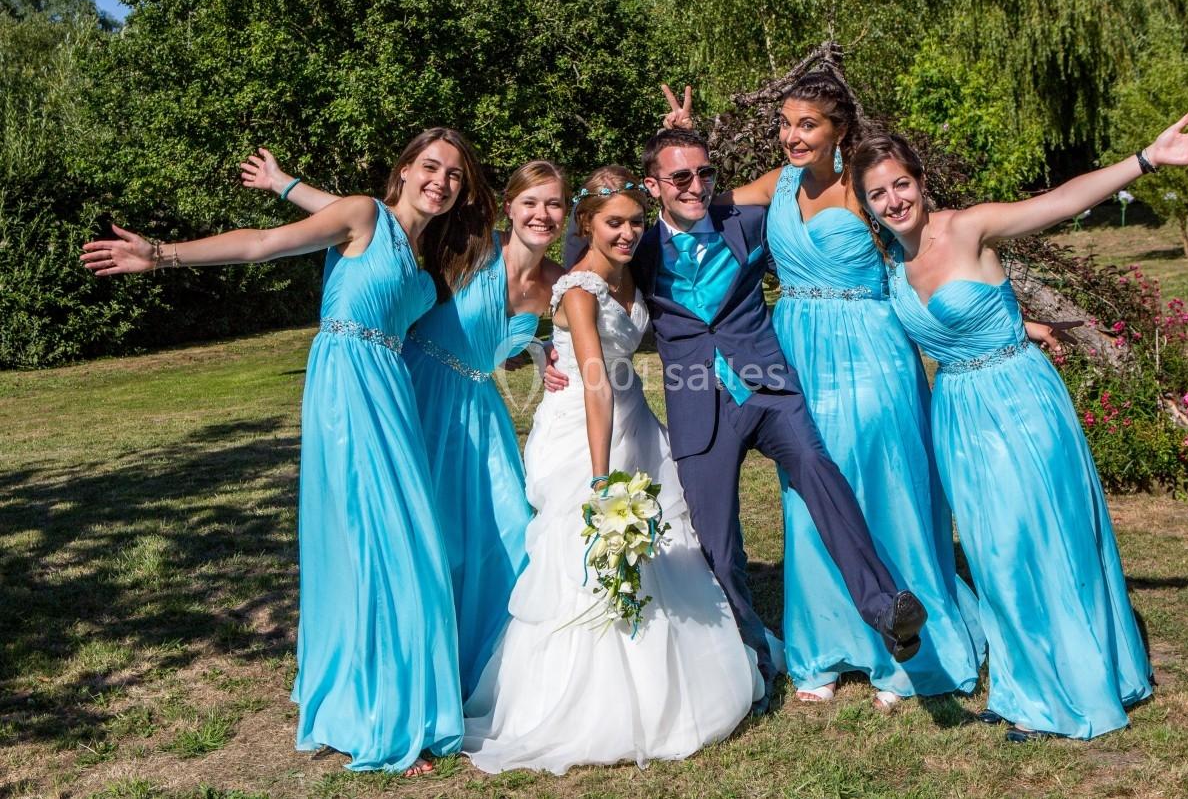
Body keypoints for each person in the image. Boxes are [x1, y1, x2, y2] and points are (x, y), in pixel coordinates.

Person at [83, 128, 498, 773]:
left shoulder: (421, 257)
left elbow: (345, 225)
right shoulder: (364, 213)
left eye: (453, 175)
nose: (440, 182)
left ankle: (377, 704)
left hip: (391, 393)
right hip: (346, 387)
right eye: (430, 166)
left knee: (406, 545)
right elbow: (263, 244)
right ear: (406, 170)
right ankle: (379, 719)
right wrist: (162, 254)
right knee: (379, 544)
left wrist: (285, 184)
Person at [852, 115, 1188, 741]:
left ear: (920, 182)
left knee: (1040, 540)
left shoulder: (968, 227)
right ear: (866, 203)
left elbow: (1059, 202)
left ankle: (1070, 688)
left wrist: (1147, 158)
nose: (894, 201)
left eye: (901, 185)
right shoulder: (890, 262)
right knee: (994, 552)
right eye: (878, 194)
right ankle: (1024, 683)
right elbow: (958, 318)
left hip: (1020, 402)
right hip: (958, 413)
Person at [551, 130, 929, 707]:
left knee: (821, 475)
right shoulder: (638, 247)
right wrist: (554, 346)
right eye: (680, 177)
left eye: (705, 173)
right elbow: (578, 278)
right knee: (718, 547)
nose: (697, 186)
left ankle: (886, 610)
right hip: (697, 407)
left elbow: (807, 196)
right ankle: (753, 656)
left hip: (770, 391)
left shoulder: (748, 223)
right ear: (653, 187)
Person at [661, 76, 983, 709]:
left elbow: (924, 258)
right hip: (797, 353)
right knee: (810, 497)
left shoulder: (867, 191)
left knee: (880, 484)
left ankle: (905, 650)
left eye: (806, 124)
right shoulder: (774, 184)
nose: (791, 136)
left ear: (839, 129)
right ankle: (826, 645)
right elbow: (693, 200)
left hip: (871, 351)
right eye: (785, 123)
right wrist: (681, 137)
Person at [463, 166, 763, 774]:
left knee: (663, 542)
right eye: (613, 223)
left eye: (633, 222)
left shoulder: (628, 272)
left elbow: (688, 202)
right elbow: (594, 382)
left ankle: (678, 678)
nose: (627, 233)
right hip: (587, 428)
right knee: (589, 552)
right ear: (587, 226)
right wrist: (602, 479)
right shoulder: (578, 288)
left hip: (635, 415)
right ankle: (590, 701)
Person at [241, 152, 566, 695]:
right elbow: (367, 222)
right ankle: (409, 677)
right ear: (507, 207)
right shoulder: (470, 246)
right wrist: (284, 184)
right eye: (530, 202)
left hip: (480, 417)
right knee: (424, 540)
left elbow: (609, 284)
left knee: (507, 532)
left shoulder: (557, 281)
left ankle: (490, 674)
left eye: (555, 204)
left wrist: (544, 347)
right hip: (413, 396)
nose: (542, 214)